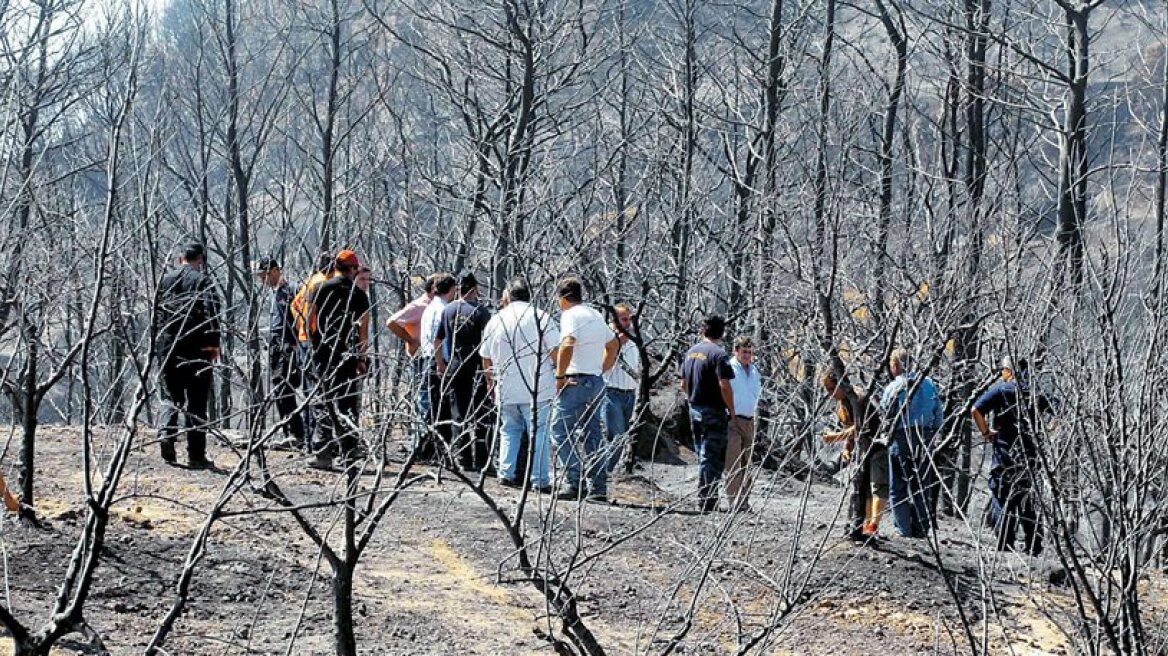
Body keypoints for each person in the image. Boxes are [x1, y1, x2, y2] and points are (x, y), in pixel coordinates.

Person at [481, 278, 558, 492]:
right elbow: (555, 351)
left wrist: (490, 380)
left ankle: (506, 473)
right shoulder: (541, 317)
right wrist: (558, 374)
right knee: (540, 432)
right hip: (539, 385)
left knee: (509, 430)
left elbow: (485, 356)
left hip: (506, 385)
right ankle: (539, 480)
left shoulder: (496, 320)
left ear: (508, 296)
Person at [971, 356, 1052, 555]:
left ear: (1009, 371)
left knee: (1002, 495)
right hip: (1029, 452)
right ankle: (1034, 545)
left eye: (1002, 370)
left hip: (1004, 452)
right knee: (1027, 499)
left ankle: (1005, 543)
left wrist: (986, 432)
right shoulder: (1035, 392)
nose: (1001, 374)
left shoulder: (1002, 390)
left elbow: (975, 410)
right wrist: (1047, 433)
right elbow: (1060, 411)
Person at [550, 277, 620, 502]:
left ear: (562, 298)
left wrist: (559, 376)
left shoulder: (570, 315)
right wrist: (602, 367)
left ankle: (574, 480)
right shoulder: (595, 315)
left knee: (559, 430)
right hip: (595, 381)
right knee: (593, 433)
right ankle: (598, 487)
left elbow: (568, 343)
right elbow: (613, 344)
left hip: (574, 380)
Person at [154, 241, 221, 469]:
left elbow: (157, 318)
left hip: (168, 349)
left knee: (170, 397)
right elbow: (212, 314)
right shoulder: (202, 281)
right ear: (200, 260)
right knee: (197, 402)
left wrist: (158, 347)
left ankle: (166, 434)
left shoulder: (164, 282)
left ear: (180, 258)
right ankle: (196, 454)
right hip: (196, 349)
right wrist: (213, 346)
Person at [307, 250, 370, 471]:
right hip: (348, 355)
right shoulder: (359, 295)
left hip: (323, 354)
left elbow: (310, 320)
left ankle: (323, 453)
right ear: (353, 269)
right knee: (347, 403)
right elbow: (363, 330)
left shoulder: (320, 288)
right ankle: (349, 452)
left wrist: (317, 344)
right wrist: (362, 357)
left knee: (323, 401)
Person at [880, 348, 945, 538]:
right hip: (925, 437)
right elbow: (938, 413)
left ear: (896, 365)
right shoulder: (929, 384)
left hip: (901, 438)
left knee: (898, 486)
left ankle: (903, 529)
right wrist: (933, 435)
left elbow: (885, 413)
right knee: (922, 485)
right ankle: (921, 528)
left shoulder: (894, 387)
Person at [434, 272, 493, 472]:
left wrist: (440, 364)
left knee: (458, 413)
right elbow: (489, 342)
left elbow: (438, 339)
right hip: (476, 369)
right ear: (475, 289)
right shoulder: (481, 312)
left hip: (454, 366)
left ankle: (463, 457)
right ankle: (482, 459)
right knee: (481, 414)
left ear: (459, 288)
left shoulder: (448, 310)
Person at [822, 369, 889, 542]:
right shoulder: (841, 404)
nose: (829, 394)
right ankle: (862, 526)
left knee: (878, 486)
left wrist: (835, 438)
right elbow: (849, 430)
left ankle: (873, 525)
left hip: (877, 445)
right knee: (862, 488)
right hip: (861, 449)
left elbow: (860, 427)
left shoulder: (858, 398)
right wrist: (847, 448)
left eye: (831, 389)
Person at [680, 315, 736, 513]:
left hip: (694, 408)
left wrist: (693, 398)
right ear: (722, 333)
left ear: (703, 330)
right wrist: (732, 408)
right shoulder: (719, 355)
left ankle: (705, 496)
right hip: (713, 410)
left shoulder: (691, 352)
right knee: (713, 456)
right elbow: (725, 385)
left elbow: (683, 384)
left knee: (702, 454)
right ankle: (707, 500)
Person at [255, 257, 306, 450]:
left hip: (288, 346)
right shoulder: (273, 294)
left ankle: (297, 433)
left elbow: (300, 317)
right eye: (261, 276)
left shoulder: (291, 291)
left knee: (286, 389)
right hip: (276, 346)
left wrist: (294, 344)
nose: (263, 279)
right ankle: (289, 433)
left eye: (265, 275)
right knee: (279, 390)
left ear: (276, 271)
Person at [291, 251, 336, 445]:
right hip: (314, 341)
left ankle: (311, 439)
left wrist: (301, 327)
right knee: (319, 390)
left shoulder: (310, 281)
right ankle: (318, 441)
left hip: (304, 339)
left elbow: (295, 306)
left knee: (311, 391)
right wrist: (313, 330)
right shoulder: (323, 282)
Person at [419, 273, 457, 462]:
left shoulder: (430, 307)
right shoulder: (443, 310)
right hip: (437, 361)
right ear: (451, 289)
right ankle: (434, 451)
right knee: (440, 408)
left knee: (434, 407)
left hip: (429, 359)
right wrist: (441, 364)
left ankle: (431, 450)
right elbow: (438, 340)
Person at [602, 303, 640, 475]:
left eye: (629, 319)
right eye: (624, 319)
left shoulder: (634, 338)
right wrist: (616, 344)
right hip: (612, 392)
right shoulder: (606, 337)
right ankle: (601, 472)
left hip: (630, 394)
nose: (628, 323)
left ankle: (605, 472)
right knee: (616, 437)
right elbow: (602, 366)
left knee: (622, 437)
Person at [725, 337, 762, 511]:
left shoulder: (754, 371)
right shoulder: (729, 368)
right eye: (744, 351)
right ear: (736, 351)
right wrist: (729, 412)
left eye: (750, 352)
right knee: (733, 461)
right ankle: (734, 502)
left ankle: (744, 501)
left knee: (747, 463)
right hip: (732, 419)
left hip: (749, 419)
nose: (747, 355)